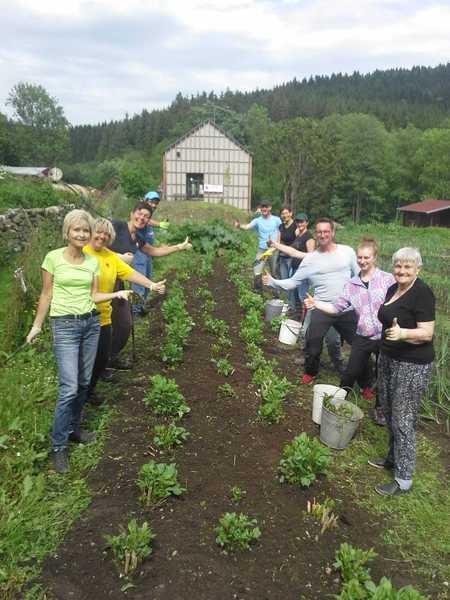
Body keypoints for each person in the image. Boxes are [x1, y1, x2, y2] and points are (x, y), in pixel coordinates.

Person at [26, 209, 132, 473]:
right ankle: (59, 446)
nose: (82, 234)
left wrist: (117, 293)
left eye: (85, 230)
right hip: (64, 326)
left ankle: (74, 429)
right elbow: (46, 294)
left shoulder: (92, 262)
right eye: (77, 230)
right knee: (70, 386)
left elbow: (95, 295)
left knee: (84, 381)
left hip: (90, 323)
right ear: (67, 232)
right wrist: (36, 326)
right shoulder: (52, 259)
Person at [304, 238, 395, 422]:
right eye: (360, 257)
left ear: (375, 257)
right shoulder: (352, 284)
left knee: (383, 373)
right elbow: (336, 308)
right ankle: (337, 405)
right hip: (363, 336)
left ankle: (379, 409)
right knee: (350, 373)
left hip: (385, 336)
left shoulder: (388, 279)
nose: (362, 261)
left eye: (366, 257)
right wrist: (316, 304)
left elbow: (399, 300)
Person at [370, 247, 435, 496]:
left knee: (403, 418)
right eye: (398, 266)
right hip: (388, 357)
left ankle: (403, 479)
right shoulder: (392, 289)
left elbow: (427, 333)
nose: (402, 270)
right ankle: (392, 458)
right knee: (387, 410)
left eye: (408, 267)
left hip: (412, 364)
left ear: (417, 268)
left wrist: (404, 334)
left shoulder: (422, 293)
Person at [263, 217, 358, 383]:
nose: (323, 235)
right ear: (316, 234)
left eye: (326, 231)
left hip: (346, 308)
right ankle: (311, 372)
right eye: (319, 232)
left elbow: (359, 275)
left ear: (333, 232)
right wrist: (273, 282)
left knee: (359, 345)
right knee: (313, 344)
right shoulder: (310, 259)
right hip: (321, 308)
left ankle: (363, 381)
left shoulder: (347, 252)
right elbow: (293, 281)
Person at [84, 217, 166, 402]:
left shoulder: (110, 257)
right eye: (98, 232)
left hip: (103, 316)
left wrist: (151, 285)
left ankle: (90, 391)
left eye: (106, 234)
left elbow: (130, 273)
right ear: (91, 233)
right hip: (82, 316)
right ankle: (80, 400)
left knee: (102, 358)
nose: (102, 236)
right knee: (86, 362)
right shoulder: (82, 253)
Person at [109, 202, 192, 369]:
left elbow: (154, 251)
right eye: (140, 214)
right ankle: (102, 363)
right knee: (106, 325)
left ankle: (110, 357)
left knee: (124, 324)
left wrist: (178, 247)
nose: (142, 218)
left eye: (146, 217)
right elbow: (97, 242)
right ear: (132, 213)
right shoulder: (117, 226)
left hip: (118, 283)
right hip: (102, 282)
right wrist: (117, 256)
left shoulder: (138, 238)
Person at [234, 201, 281, 280]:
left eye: (266, 207)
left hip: (273, 250)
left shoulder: (277, 220)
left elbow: (280, 231)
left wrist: (278, 245)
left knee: (274, 272)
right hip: (262, 250)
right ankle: (258, 290)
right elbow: (247, 226)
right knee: (257, 269)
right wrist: (239, 226)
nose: (264, 209)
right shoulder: (257, 220)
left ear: (270, 208)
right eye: (262, 207)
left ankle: (276, 290)